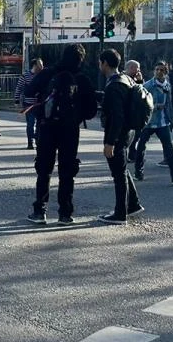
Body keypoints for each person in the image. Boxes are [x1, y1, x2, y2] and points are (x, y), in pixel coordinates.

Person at [25, 44, 96, 225]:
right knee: (67, 171)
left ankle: (40, 210)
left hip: (47, 126)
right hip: (70, 130)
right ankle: (65, 212)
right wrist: (76, 114)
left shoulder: (49, 73)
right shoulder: (82, 78)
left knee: (43, 169)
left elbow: (29, 91)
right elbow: (91, 111)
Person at [98, 48, 143, 225]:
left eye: (100, 62)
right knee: (122, 170)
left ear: (105, 63)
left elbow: (117, 116)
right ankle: (133, 204)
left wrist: (110, 142)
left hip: (118, 134)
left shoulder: (114, 85)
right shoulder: (126, 79)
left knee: (118, 174)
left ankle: (119, 213)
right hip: (129, 132)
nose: (99, 65)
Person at [128, 62, 173, 186]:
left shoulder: (167, 85)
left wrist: (170, 117)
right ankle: (138, 173)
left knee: (169, 149)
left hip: (162, 122)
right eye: (157, 69)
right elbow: (141, 100)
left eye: (162, 70)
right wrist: (154, 107)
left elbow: (168, 103)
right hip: (149, 122)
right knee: (141, 147)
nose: (159, 72)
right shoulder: (149, 85)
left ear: (165, 72)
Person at [14, 59, 44, 149]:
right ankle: (30, 142)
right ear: (35, 65)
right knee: (30, 123)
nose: (42, 66)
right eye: (40, 65)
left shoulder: (42, 75)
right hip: (28, 104)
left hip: (39, 104)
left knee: (40, 124)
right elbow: (19, 87)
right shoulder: (25, 76)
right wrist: (16, 100)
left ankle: (38, 140)